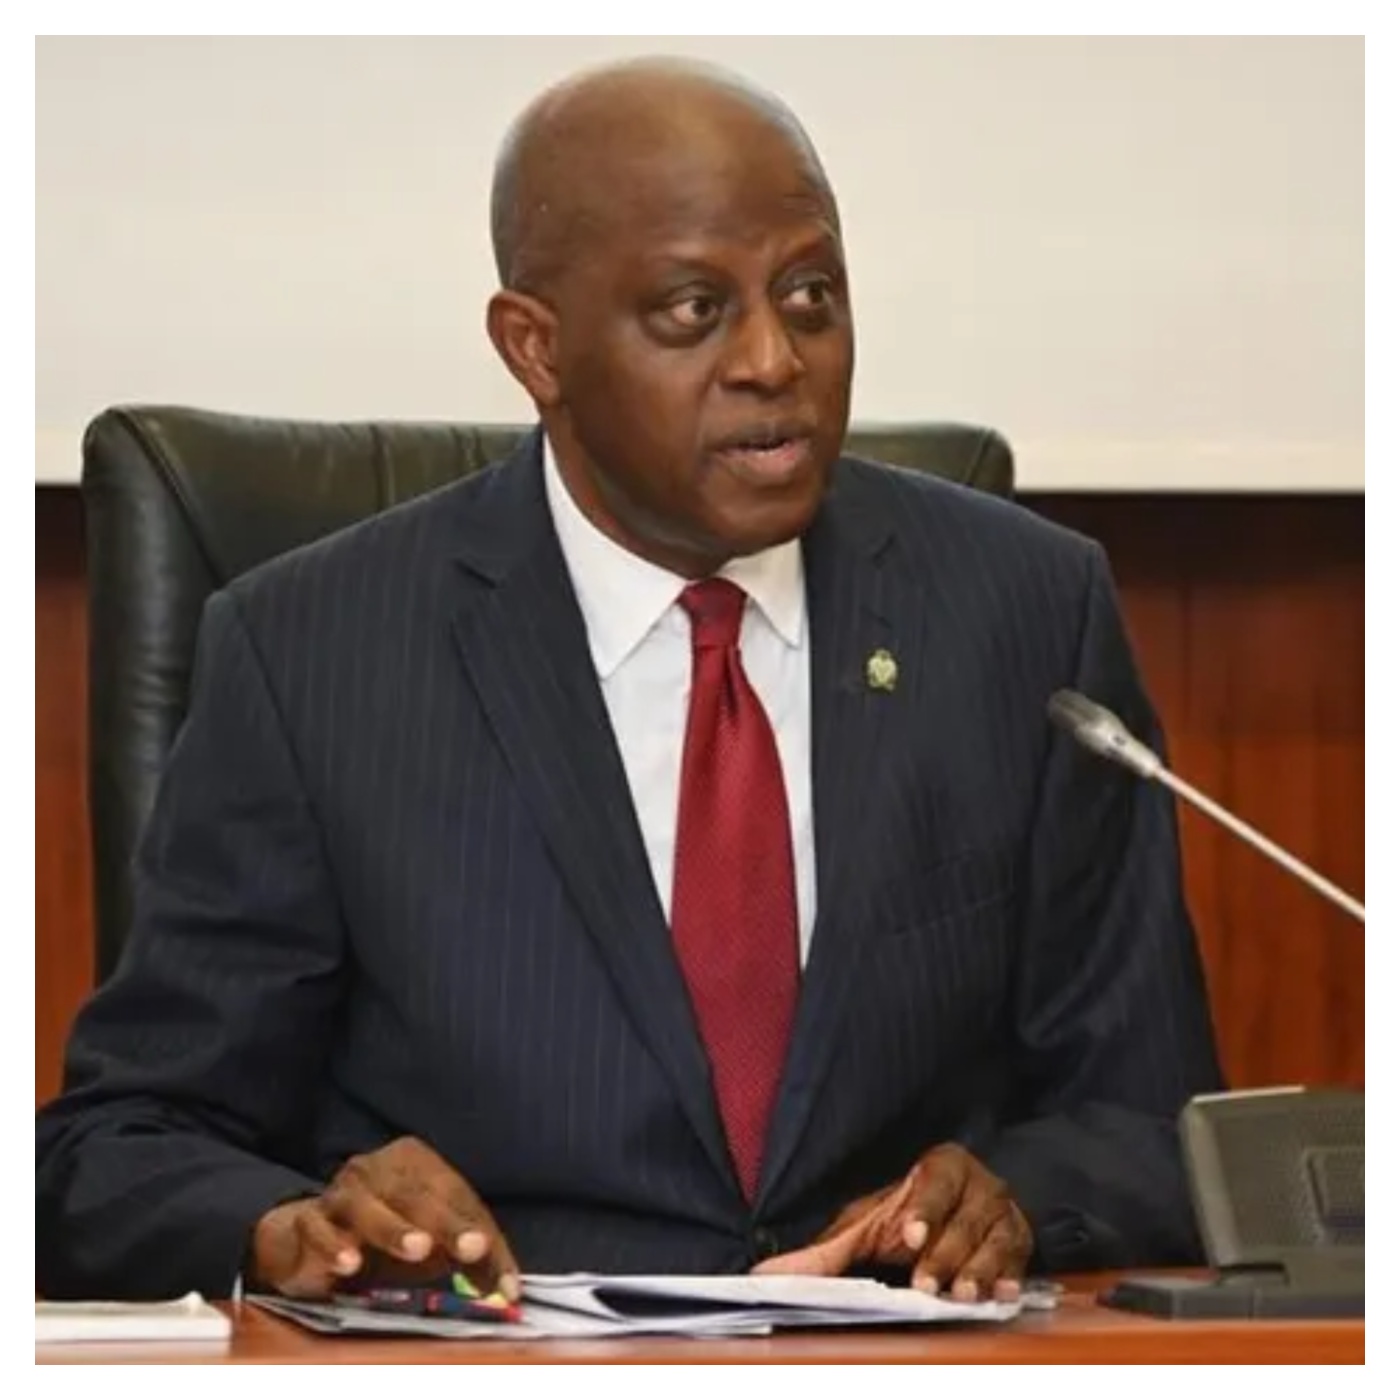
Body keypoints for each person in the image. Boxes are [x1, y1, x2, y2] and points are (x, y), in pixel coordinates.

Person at [35, 56, 1223, 1304]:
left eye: (810, 295)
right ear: (535, 347)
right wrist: (293, 1224)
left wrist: (1014, 1196)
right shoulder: (314, 654)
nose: (772, 358)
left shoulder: (1019, 613)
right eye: (693, 311)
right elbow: (117, 1147)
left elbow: (1159, 1124)